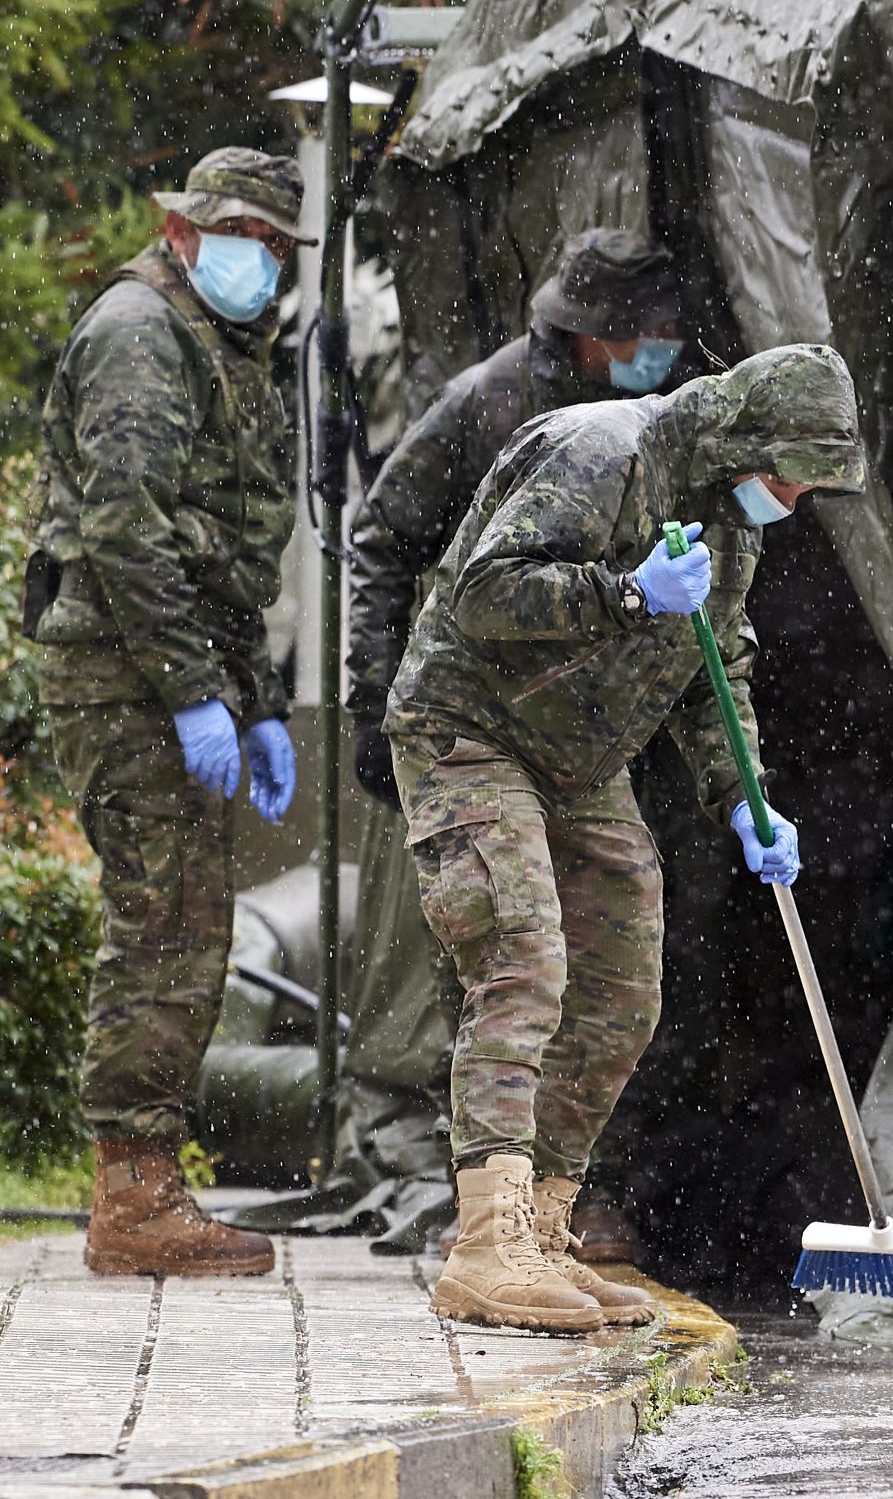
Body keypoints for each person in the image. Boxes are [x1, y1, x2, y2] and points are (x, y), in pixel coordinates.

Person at [385, 343, 865, 1332]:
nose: (792, 499)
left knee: (620, 987)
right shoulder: (599, 454)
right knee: (522, 959)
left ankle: (543, 1232)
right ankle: (484, 1241)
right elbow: (484, 590)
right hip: (470, 729)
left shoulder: (734, 526)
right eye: (788, 478)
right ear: (741, 439)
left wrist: (746, 795)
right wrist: (630, 594)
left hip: (581, 760)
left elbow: (713, 665)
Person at [237, 231, 686, 1252]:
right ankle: (475, 1197)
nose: (662, 351)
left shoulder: (650, 413)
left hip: (575, 727)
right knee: (492, 957)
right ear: (594, 334)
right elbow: (384, 541)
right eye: (645, 336)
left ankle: (563, 1195)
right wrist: (368, 706)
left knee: (601, 966)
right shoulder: (488, 402)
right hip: (466, 719)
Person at [29, 147, 308, 1277]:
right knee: (163, 922)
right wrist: (201, 697)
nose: (263, 259)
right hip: (122, 673)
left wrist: (260, 704)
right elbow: (130, 536)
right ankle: (133, 1196)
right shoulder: (143, 334)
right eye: (245, 233)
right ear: (185, 230)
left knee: (189, 922)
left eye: (281, 245)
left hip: (175, 675)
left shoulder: (227, 345)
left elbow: (230, 550)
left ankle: (144, 1181)